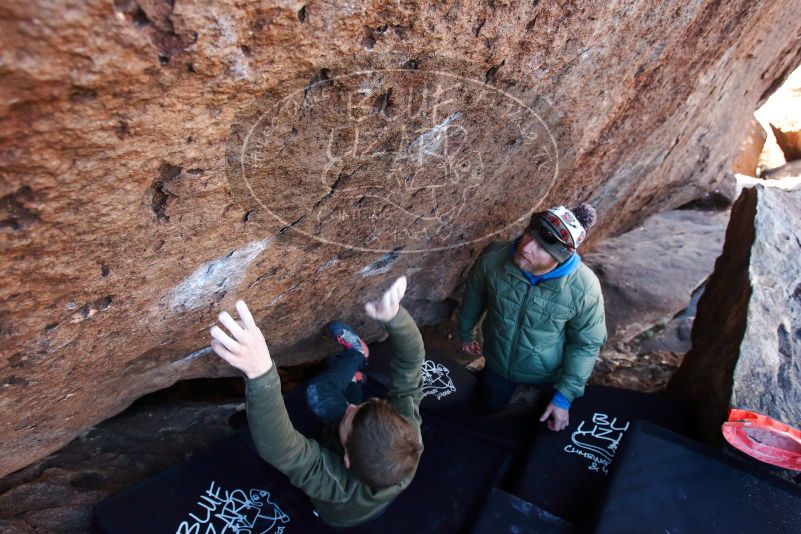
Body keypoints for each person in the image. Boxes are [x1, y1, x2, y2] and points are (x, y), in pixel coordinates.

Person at [209, 276, 424, 528]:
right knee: (334, 405)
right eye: (366, 405)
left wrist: (261, 375)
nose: (351, 407)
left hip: (335, 517)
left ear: (346, 460)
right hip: (365, 479)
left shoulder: (336, 486)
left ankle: (354, 369)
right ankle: (353, 379)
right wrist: (395, 317)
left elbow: (281, 448)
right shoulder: (409, 435)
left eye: (350, 418)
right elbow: (411, 364)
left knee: (321, 397)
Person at [457, 204, 607, 431]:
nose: (526, 247)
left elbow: (586, 344)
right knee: (487, 412)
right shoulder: (494, 257)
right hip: (497, 363)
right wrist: (465, 331)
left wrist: (564, 396)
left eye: (542, 247)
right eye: (529, 234)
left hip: (549, 372)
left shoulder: (584, 289)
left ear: (560, 257)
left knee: (541, 421)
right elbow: (474, 295)